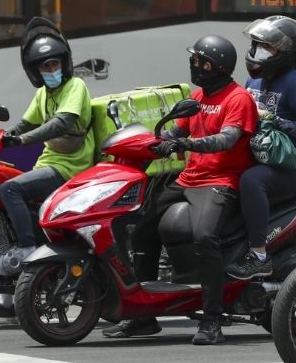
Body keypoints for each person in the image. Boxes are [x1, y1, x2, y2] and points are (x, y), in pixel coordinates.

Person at [102, 35, 258, 345]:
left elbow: (227, 139)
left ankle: (213, 319)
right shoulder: (197, 97)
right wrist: (144, 146)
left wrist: (186, 144)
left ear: (216, 66)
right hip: (188, 178)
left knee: (205, 237)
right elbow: (172, 134)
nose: (195, 66)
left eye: (200, 61)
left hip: (219, 181)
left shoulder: (237, 98)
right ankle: (142, 317)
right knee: (141, 226)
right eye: (195, 60)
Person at [0, 18, 94, 324]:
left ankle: (26, 249)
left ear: (64, 62)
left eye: (54, 64)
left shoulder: (76, 87)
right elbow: (25, 123)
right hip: (49, 165)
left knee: (12, 189)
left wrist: (20, 140)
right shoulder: (44, 94)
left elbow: (60, 123)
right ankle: (5, 300)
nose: (51, 70)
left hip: (70, 170)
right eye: (44, 67)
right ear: (35, 72)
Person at [225, 15, 296, 280]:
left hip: (290, 165)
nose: (258, 52)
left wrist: (273, 120)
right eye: (256, 45)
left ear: (286, 52)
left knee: (251, 181)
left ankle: (258, 256)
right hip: (259, 155)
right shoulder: (252, 81)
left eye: (267, 47)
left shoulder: (295, 84)